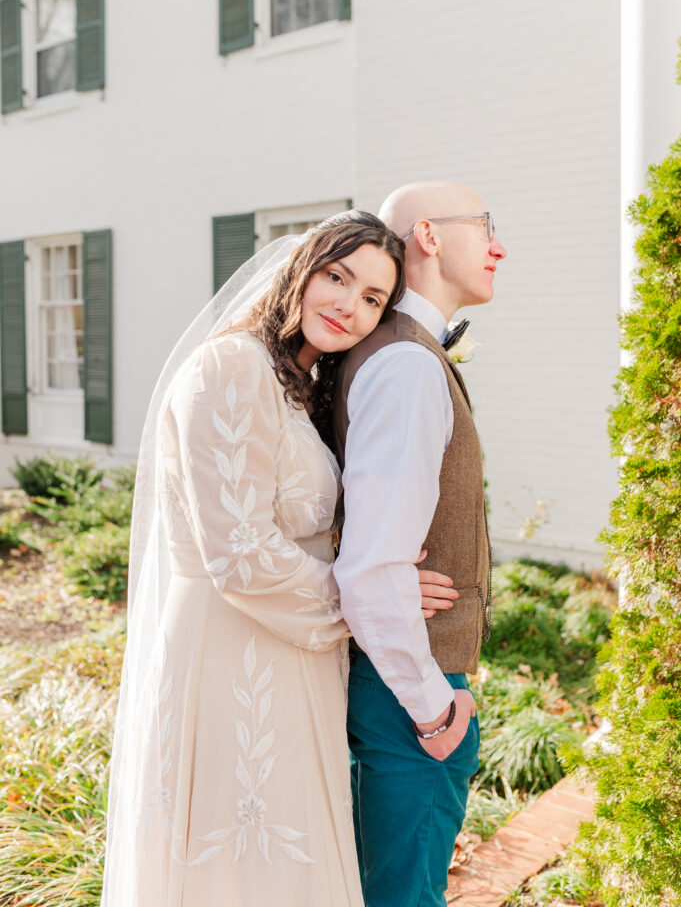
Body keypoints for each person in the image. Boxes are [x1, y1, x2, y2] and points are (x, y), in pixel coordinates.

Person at [101, 210, 449, 907]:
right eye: (337, 276)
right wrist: (371, 600)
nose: (349, 305)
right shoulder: (229, 367)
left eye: (373, 298)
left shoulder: (297, 389)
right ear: (299, 272)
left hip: (293, 658)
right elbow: (238, 552)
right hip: (227, 657)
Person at [332, 181, 508, 907]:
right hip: (408, 693)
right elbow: (373, 565)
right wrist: (434, 707)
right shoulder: (405, 365)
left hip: (394, 683)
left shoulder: (398, 352)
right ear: (430, 237)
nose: (498, 246)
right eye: (486, 226)